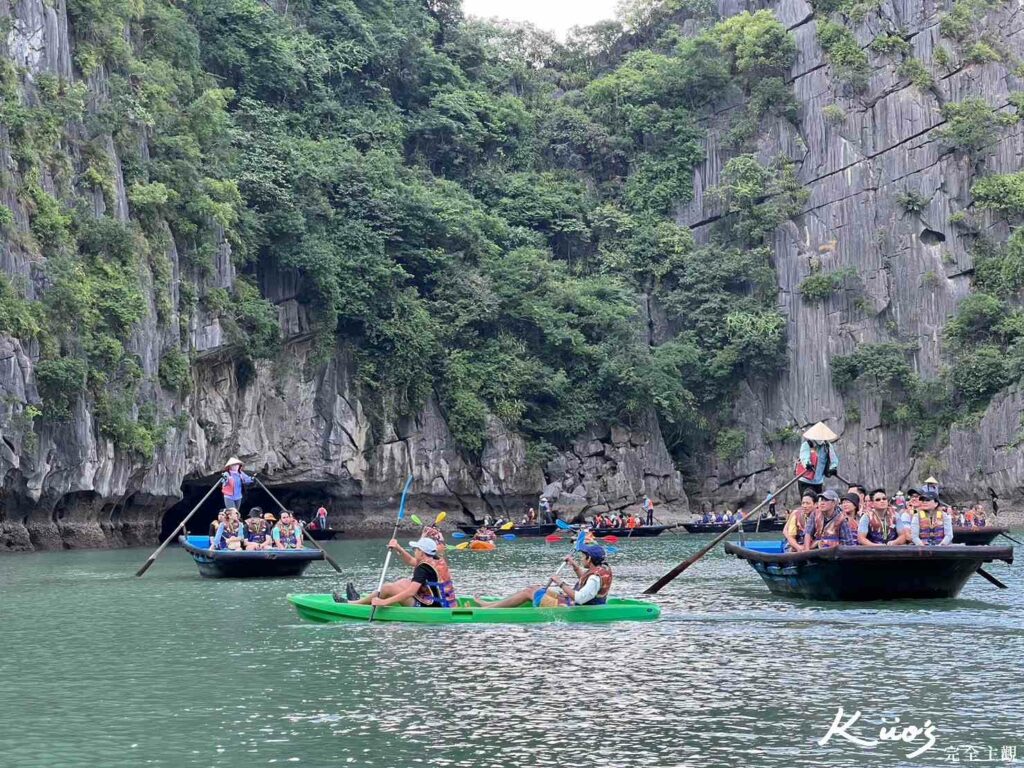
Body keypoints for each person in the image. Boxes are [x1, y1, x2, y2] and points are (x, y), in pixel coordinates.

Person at [474, 545, 612, 608]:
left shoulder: (595, 577)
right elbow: (585, 580)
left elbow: (581, 598)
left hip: (576, 607)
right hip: (572, 602)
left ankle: (489, 608)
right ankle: (491, 605)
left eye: (583, 557)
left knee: (530, 592)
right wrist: (575, 566)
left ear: (589, 559)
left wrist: (560, 583)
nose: (581, 559)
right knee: (536, 588)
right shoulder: (599, 571)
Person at [339, 537, 457, 607]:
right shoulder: (436, 560)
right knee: (404, 581)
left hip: (432, 607)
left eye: (416, 549)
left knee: (387, 588)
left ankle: (354, 604)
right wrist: (399, 548)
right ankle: (364, 599)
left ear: (422, 553)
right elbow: (411, 560)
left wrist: (383, 602)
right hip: (445, 603)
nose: (414, 551)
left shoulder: (423, 568)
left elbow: (410, 593)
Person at [795, 422, 840, 496]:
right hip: (806, 480)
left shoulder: (827, 446)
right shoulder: (807, 445)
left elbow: (833, 459)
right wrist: (807, 464)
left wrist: (833, 468)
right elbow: (804, 457)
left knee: (817, 503)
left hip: (818, 481)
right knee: (808, 500)